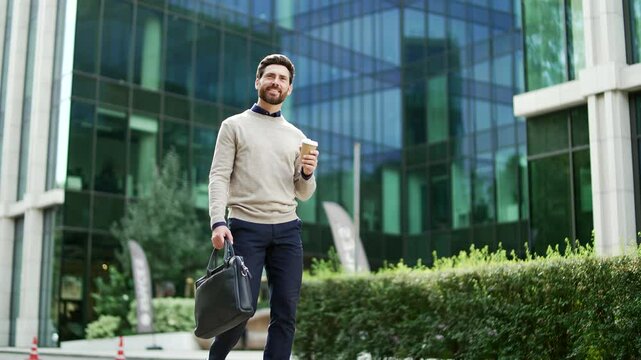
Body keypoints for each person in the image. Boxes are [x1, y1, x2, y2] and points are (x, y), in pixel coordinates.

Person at [207, 54, 319, 360]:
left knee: (286, 313)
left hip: (286, 230)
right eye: (270, 76)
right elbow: (218, 176)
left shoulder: (297, 137)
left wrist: (308, 173)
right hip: (245, 227)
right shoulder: (234, 126)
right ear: (258, 82)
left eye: (283, 79)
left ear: (290, 89)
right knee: (240, 310)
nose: (276, 82)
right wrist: (218, 221)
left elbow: (303, 193)